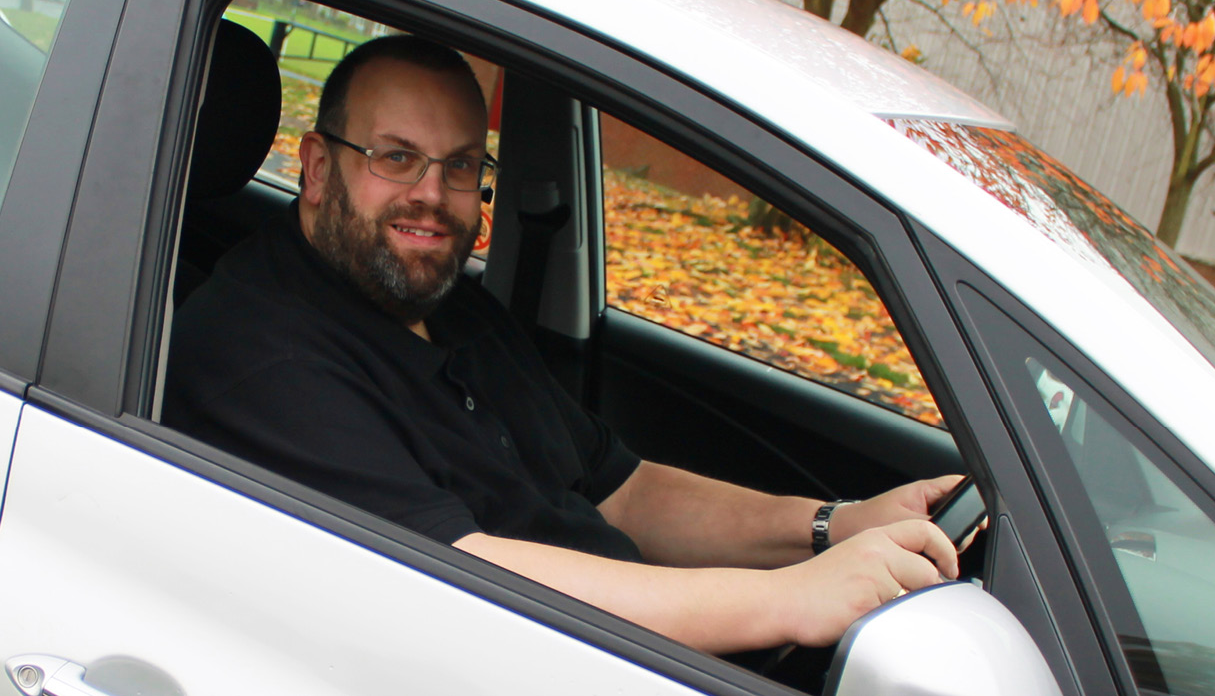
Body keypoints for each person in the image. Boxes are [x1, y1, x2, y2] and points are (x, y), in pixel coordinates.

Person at [164, 34, 962, 659]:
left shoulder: (444, 303)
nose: (432, 197)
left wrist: (833, 526)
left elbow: (628, 492)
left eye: (462, 166)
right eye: (395, 157)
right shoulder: (260, 350)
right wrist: (792, 600)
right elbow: (469, 575)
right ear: (314, 167)